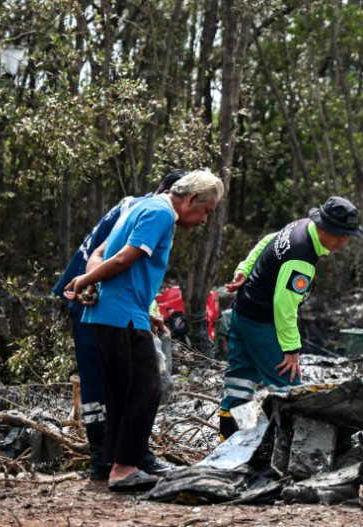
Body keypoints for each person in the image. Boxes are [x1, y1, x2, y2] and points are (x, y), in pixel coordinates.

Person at [64, 170, 224, 491]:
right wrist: (85, 281)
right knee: (147, 389)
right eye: (206, 211)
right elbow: (123, 259)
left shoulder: (140, 206)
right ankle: (124, 469)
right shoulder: (162, 213)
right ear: (191, 199)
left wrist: (143, 308)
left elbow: (102, 254)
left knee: (123, 392)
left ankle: (116, 466)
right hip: (121, 315)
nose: (204, 221)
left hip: (116, 313)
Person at [52, 170, 186, 480]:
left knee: (125, 382)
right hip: (89, 297)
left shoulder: (144, 208)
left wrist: (146, 309)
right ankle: (106, 457)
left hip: (106, 297)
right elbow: (102, 256)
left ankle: (127, 457)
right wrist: (90, 286)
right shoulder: (148, 210)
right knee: (112, 381)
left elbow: (131, 274)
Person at [219, 196, 363, 441]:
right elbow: (284, 307)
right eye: (338, 233)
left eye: (347, 235)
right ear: (323, 226)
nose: (342, 241)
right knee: (288, 387)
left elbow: (267, 241)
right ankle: (289, 444)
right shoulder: (302, 257)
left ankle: (231, 439)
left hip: (243, 310)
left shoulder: (300, 226)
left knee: (241, 379)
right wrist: (292, 349)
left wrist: (245, 268)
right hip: (262, 322)